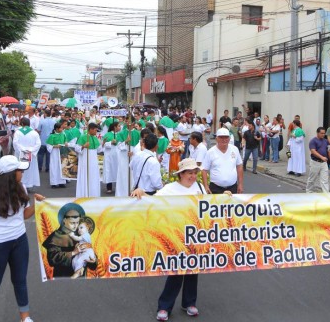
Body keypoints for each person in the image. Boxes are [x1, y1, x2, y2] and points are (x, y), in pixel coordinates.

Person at [131, 158, 231, 321]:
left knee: (193, 270)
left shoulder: (199, 187)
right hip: (176, 236)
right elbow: (153, 200)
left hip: (196, 236)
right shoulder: (170, 189)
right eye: (189, 173)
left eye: (194, 173)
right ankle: (164, 306)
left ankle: (189, 303)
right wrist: (141, 192)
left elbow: (211, 205)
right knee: (176, 271)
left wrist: (225, 197)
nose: (192, 176)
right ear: (181, 174)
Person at [0, 155, 45, 322]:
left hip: (20, 241)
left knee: (20, 280)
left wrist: (37, 204)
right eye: (19, 170)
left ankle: (25, 317)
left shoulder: (20, 186)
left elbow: (24, 215)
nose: (22, 173)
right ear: (10, 174)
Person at [42, 203, 97, 278]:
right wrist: (73, 252)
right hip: (63, 276)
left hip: (81, 276)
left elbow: (89, 252)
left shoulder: (81, 234)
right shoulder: (55, 237)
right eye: (72, 223)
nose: (75, 226)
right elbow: (52, 259)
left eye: (77, 223)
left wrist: (93, 261)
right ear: (64, 220)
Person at [202, 128, 243, 194]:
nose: (224, 140)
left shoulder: (235, 149)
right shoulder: (210, 152)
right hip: (215, 188)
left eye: (226, 137)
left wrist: (240, 184)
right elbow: (204, 170)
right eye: (221, 137)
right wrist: (206, 186)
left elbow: (239, 166)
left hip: (232, 187)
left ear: (229, 139)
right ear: (216, 139)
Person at [74, 123, 103, 198]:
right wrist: (83, 146)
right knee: (86, 175)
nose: (96, 132)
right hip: (85, 159)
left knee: (93, 176)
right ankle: (85, 194)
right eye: (95, 130)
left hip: (94, 160)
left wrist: (103, 143)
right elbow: (76, 148)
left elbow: (98, 149)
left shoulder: (95, 137)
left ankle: (93, 193)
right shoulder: (83, 137)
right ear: (90, 129)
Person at [13, 118, 41, 191]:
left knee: (21, 169)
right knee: (29, 169)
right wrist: (30, 150)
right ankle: (28, 185)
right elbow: (38, 144)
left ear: (22, 124)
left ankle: (21, 184)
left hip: (21, 153)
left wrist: (22, 150)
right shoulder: (34, 133)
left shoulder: (18, 132)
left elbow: (15, 143)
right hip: (30, 153)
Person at [306, 127, 330, 193]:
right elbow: (313, 151)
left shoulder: (326, 141)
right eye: (321, 133)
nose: (323, 135)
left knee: (325, 180)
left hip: (324, 163)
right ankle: (309, 192)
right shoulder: (313, 141)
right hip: (315, 162)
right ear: (317, 133)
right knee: (312, 179)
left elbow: (329, 151)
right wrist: (321, 157)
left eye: (324, 133)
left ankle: (326, 194)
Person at [46, 122, 68, 188]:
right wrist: (55, 146)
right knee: (54, 167)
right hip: (55, 153)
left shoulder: (63, 134)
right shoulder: (52, 136)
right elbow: (48, 146)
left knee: (62, 166)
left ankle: (62, 182)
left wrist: (66, 143)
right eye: (61, 128)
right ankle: (54, 183)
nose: (62, 129)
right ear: (56, 129)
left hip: (62, 152)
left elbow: (65, 141)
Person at [102, 122, 120, 194]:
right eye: (118, 126)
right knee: (109, 170)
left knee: (118, 170)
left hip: (118, 154)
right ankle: (109, 187)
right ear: (114, 127)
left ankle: (118, 187)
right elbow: (103, 145)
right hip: (109, 154)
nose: (120, 127)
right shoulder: (107, 134)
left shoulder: (120, 134)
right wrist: (110, 142)